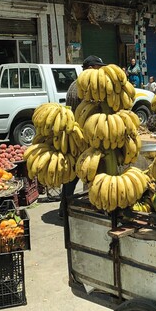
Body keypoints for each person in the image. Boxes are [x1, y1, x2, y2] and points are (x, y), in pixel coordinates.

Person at [59, 55, 105, 217]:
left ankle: (64, 208)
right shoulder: (88, 84)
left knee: (72, 174)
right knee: (91, 170)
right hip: (86, 135)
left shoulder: (73, 84)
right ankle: (94, 205)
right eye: (99, 68)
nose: (101, 71)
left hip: (73, 135)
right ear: (91, 68)